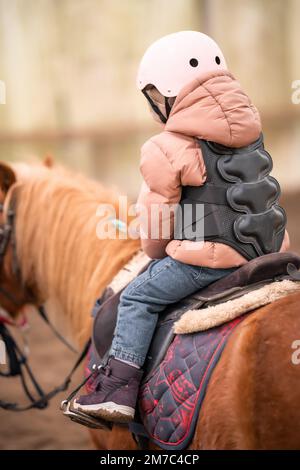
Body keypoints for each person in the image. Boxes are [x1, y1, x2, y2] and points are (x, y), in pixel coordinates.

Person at [73, 31, 289, 422]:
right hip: (269, 249)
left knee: (138, 297)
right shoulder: (250, 130)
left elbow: (155, 238)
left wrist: (161, 246)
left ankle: (118, 388)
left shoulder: (164, 146)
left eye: (156, 96)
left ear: (169, 90)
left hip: (209, 260)